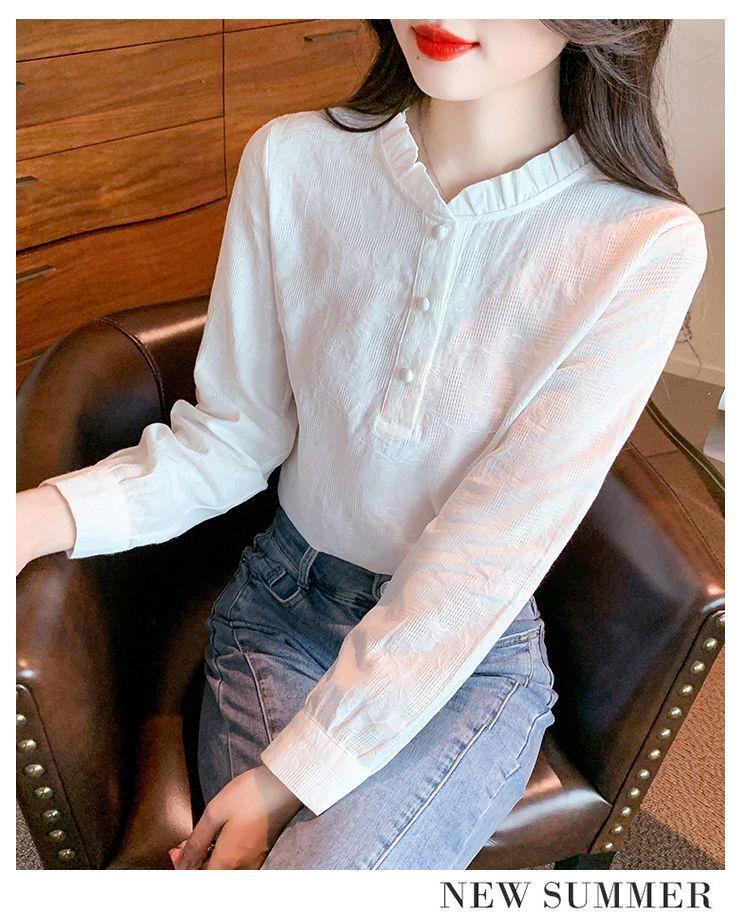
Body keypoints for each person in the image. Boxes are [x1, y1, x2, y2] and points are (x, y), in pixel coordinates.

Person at [16, 19, 708, 870]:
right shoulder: (292, 161)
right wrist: (33, 518)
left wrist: (287, 777)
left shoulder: (641, 243)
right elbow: (232, 438)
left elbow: (485, 557)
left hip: (465, 660)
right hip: (279, 616)